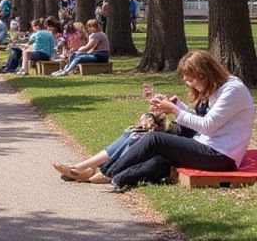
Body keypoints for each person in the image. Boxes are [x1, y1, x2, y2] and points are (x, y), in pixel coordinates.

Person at [52, 51, 255, 191]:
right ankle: (103, 173)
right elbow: (205, 120)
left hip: (220, 155)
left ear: (205, 74)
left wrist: (174, 110)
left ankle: (103, 172)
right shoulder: (217, 88)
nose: (189, 83)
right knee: (148, 145)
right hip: (206, 143)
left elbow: (208, 126)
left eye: (191, 79)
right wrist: (179, 107)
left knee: (155, 140)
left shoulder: (232, 90)